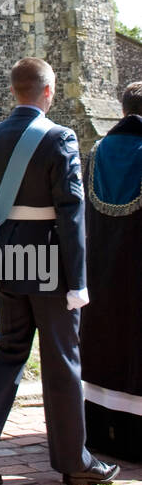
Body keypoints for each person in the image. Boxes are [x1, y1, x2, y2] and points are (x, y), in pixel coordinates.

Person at [0, 57, 119, 485]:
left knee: (7, 349)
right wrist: (79, 280)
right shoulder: (60, 138)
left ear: (14, 91)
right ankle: (73, 460)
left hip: (7, 254)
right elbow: (71, 212)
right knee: (62, 357)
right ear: (48, 91)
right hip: (48, 256)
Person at [80, 81, 142, 461]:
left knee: (104, 340)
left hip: (100, 269)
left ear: (122, 111)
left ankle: (99, 432)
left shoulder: (97, 152)